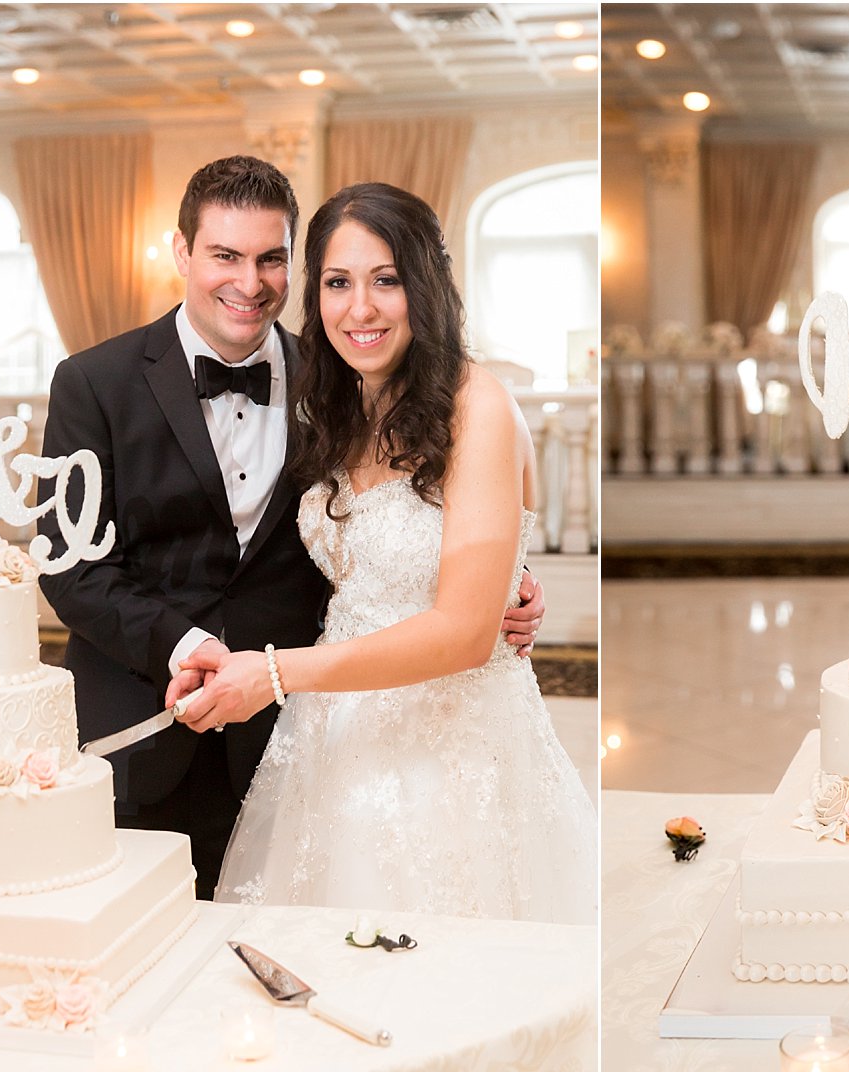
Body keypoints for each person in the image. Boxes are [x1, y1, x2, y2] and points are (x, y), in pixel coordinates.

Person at [37, 157, 545, 901]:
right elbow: (69, 566)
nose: (249, 282)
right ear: (182, 252)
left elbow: (419, 526)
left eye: (271, 259)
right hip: (145, 727)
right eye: (224, 256)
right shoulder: (92, 382)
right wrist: (189, 646)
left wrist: (510, 579)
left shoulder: (334, 378)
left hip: (290, 736)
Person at [171, 182, 596, 923]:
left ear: (426, 284)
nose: (359, 309)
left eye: (385, 280)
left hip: (452, 757)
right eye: (338, 282)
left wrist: (275, 673)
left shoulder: (478, 406)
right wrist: (508, 575)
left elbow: (465, 632)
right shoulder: (341, 403)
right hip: (334, 746)